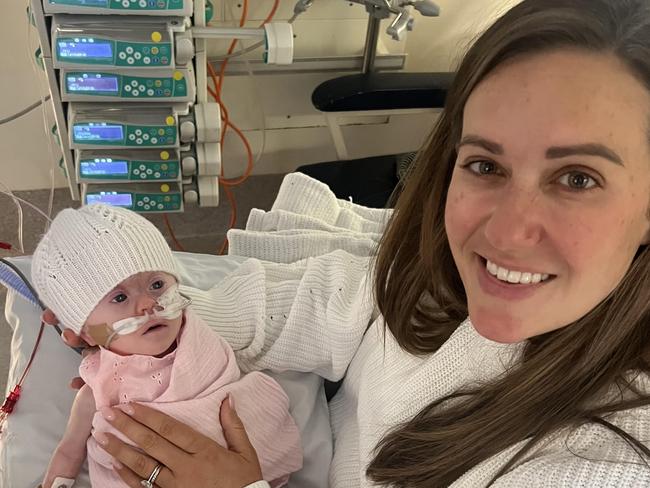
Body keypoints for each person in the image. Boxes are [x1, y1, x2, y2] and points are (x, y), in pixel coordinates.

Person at [58, 0, 650, 486]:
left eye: (578, 179)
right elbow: (325, 302)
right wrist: (146, 323)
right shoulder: (429, 284)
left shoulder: (609, 463)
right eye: (485, 165)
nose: (503, 233)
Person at [32, 204, 302, 488]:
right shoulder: (95, 392)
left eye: (157, 284)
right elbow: (68, 450)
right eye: (120, 298)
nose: (150, 304)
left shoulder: (205, 338)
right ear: (85, 333)